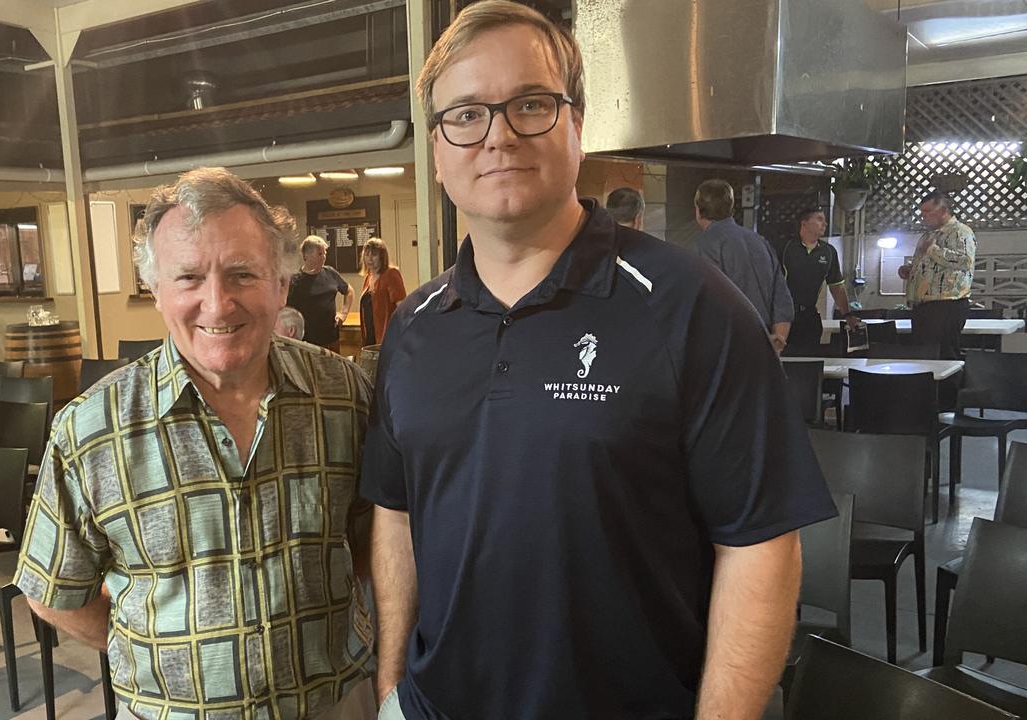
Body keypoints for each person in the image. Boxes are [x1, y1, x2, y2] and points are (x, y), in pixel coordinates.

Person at [362, 3, 836, 719]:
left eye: (530, 104)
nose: (497, 136)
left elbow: (762, 545)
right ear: (436, 147)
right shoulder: (413, 326)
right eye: (465, 114)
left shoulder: (691, 307)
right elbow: (395, 515)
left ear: (577, 123)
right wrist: (392, 692)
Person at [14, 167, 376, 720]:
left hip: (334, 703)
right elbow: (53, 590)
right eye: (188, 278)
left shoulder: (344, 394)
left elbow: (375, 540)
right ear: (156, 291)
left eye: (242, 275)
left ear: (281, 284)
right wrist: (151, 651)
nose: (217, 303)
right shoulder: (92, 429)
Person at [692, 179, 794, 353]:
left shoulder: (705, 244)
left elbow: (710, 301)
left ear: (698, 210)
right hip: (765, 343)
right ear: (731, 208)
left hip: (730, 348)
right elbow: (782, 300)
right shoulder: (759, 241)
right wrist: (777, 342)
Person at [899, 190, 976, 359]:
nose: (923, 216)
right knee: (924, 354)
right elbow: (928, 264)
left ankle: (949, 386)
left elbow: (965, 261)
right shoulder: (928, 234)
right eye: (921, 212)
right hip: (923, 305)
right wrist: (910, 270)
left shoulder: (961, 232)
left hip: (946, 304)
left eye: (927, 212)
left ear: (942, 211)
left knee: (944, 354)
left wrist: (933, 250)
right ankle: (927, 385)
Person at [781, 208, 859, 354]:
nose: (824, 223)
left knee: (809, 361)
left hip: (809, 315)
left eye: (824, 220)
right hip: (784, 315)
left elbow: (836, 286)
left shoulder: (828, 251)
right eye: (819, 219)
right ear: (804, 224)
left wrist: (847, 314)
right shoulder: (786, 248)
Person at [287, 236, 353, 351]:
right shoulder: (295, 281)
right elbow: (287, 311)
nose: (324, 257)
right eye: (319, 254)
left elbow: (349, 291)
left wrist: (344, 313)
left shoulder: (330, 273)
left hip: (331, 339)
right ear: (306, 255)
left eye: (324, 253)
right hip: (307, 343)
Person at [360, 238, 407, 346]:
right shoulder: (368, 277)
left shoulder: (391, 274)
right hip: (370, 335)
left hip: (387, 334)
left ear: (382, 257)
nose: (370, 259)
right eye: (367, 255)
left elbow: (402, 306)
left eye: (374, 255)